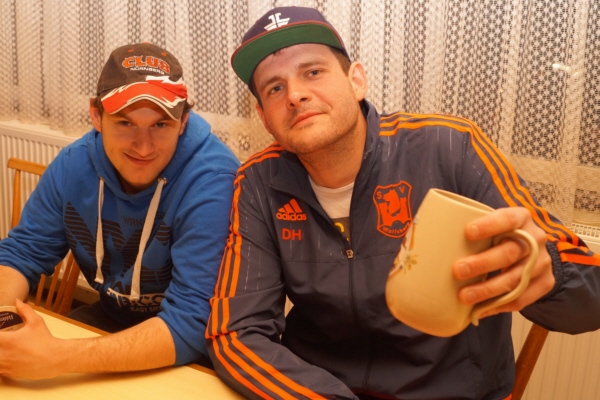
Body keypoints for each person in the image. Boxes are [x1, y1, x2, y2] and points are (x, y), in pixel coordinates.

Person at [206, 6, 600, 400]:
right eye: (275, 88)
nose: (295, 95)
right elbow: (236, 334)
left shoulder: (451, 147)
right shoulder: (259, 182)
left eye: (312, 72)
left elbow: (591, 295)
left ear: (356, 81)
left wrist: (550, 273)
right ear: (264, 117)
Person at [0, 42, 239, 379]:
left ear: (184, 121)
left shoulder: (213, 180)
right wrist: (4, 324)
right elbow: (21, 253)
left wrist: (57, 357)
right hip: (112, 317)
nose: (143, 146)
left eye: (160, 125)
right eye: (126, 123)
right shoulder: (73, 164)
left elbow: (191, 323)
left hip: (195, 346)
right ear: (96, 115)